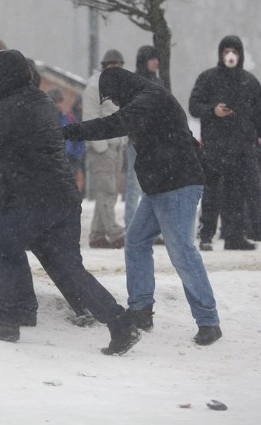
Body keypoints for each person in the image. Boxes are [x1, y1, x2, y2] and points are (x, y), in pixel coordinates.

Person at [0, 50, 139, 354]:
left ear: (2, 80)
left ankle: (8, 318)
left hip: (34, 198)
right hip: (63, 198)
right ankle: (120, 323)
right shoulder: (40, 100)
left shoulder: (9, 107)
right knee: (69, 268)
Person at [64, 66, 222, 346]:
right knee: (136, 241)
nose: (115, 104)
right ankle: (141, 309)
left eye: (113, 98)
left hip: (178, 183)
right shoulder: (143, 97)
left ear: (122, 87)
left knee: (182, 252)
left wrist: (70, 131)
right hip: (160, 185)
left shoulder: (149, 99)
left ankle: (209, 320)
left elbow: (115, 123)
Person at [189, 35, 261, 251]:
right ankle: (206, 235)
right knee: (212, 193)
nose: (230, 56)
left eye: (234, 52)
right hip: (215, 147)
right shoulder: (208, 79)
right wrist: (213, 110)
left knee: (237, 194)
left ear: (240, 54)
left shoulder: (250, 82)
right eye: (227, 51)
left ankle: (233, 236)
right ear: (220, 54)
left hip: (242, 148)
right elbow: (194, 105)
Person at [82, 49, 126, 249]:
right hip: (104, 147)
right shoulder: (94, 87)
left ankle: (97, 234)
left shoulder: (119, 87)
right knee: (107, 191)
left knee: (108, 191)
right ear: (105, 66)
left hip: (116, 146)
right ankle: (114, 232)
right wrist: (101, 147)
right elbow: (90, 117)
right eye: (112, 66)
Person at [125, 45, 162, 230]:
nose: (156, 62)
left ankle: (151, 227)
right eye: (152, 59)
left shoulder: (158, 83)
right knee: (135, 185)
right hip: (137, 141)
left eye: (157, 59)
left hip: (156, 141)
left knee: (154, 186)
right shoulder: (133, 82)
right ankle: (132, 226)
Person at [48, 87, 86, 195]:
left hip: (69, 161)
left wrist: (76, 156)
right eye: (55, 101)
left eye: (60, 101)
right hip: (52, 162)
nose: (58, 105)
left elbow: (80, 139)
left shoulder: (69, 119)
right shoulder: (46, 120)